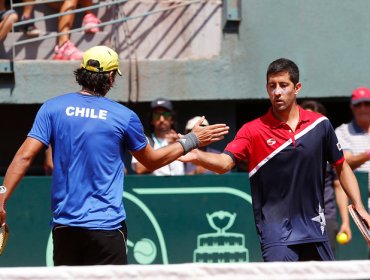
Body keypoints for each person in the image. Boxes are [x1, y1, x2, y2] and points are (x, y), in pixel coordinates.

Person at [0, 45, 229, 266]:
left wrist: (2, 196)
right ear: (110, 77)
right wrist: (192, 140)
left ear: (81, 73)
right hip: (106, 230)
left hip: (65, 230)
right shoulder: (124, 116)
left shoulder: (52, 108)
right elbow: (151, 160)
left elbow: (24, 157)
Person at [180, 58, 370, 262]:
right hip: (276, 234)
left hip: (315, 229)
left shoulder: (320, 125)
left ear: (297, 88)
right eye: (272, 86)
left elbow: (341, 166)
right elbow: (225, 163)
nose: (277, 92)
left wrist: (360, 207)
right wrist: (197, 154)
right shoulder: (252, 130)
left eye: (283, 85)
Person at [300, 100, 352, 254]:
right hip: (293, 218)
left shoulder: (331, 150)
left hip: (325, 218)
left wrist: (345, 222)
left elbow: (338, 186)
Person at [335, 87, 370, 212]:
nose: (363, 108)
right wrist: (368, 154)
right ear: (352, 107)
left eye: (367, 104)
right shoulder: (342, 131)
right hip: (357, 203)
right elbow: (343, 162)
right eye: (358, 104)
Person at [131, 98, 185, 176]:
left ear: (172, 119)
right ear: (151, 120)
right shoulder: (145, 141)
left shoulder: (181, 139)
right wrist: (171, 146)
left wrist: (177, 144)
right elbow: (139, 169)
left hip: (181, 186)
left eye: (166, 115)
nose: (162, 119)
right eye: (156, 115)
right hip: (154, 186)